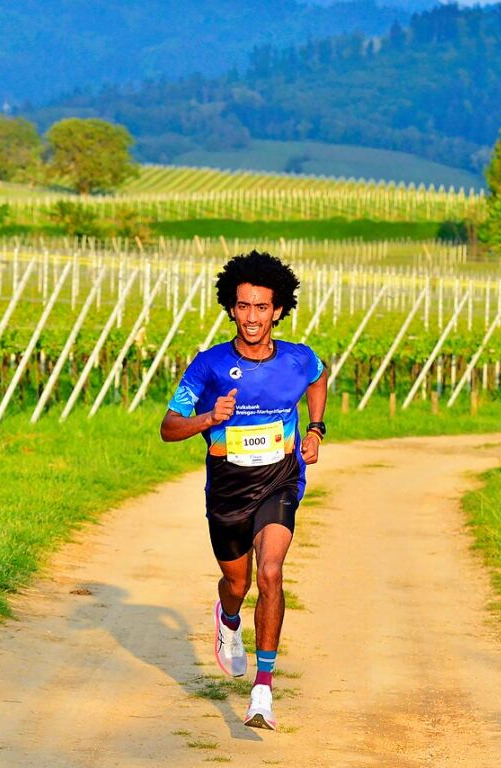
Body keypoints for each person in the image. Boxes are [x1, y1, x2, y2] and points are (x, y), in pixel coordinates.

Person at [160, 250, 327, 730]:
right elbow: (169, 427)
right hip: (229, 488)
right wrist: (208, 419)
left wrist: (315, 429)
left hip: (281, 477)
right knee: (239, 582)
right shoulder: (209, 365)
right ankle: (228, 619)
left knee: (271, 572)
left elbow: (319, 376)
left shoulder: (298, 358)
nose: (252, 317)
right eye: (243, 307)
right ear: (231, 309)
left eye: (261, 307)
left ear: (278, 310)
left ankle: (262, 691)